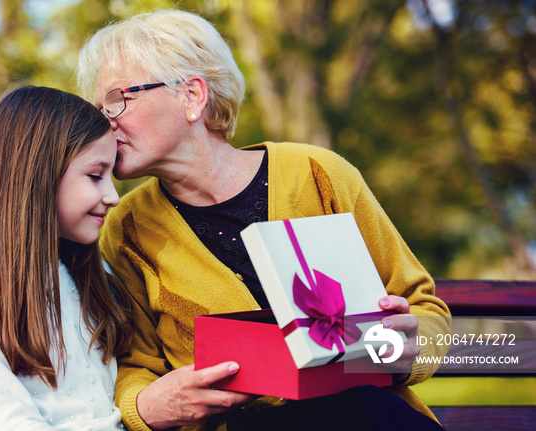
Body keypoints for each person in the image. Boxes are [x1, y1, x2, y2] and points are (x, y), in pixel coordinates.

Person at [76, 9, 452, 431]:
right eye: (98, 107)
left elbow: (423, 307)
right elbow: (134, 365)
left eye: (117, 99)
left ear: (192, 96)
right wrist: (147, 405)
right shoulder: (126, 228)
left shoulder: (317, 174)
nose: (103, 122)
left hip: (366, 414)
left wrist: (407, 343)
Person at [0, 85, 133, 430]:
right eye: (95, 175)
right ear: (37, 176)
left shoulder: (96, 277)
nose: (113, 196)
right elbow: (7, 421)